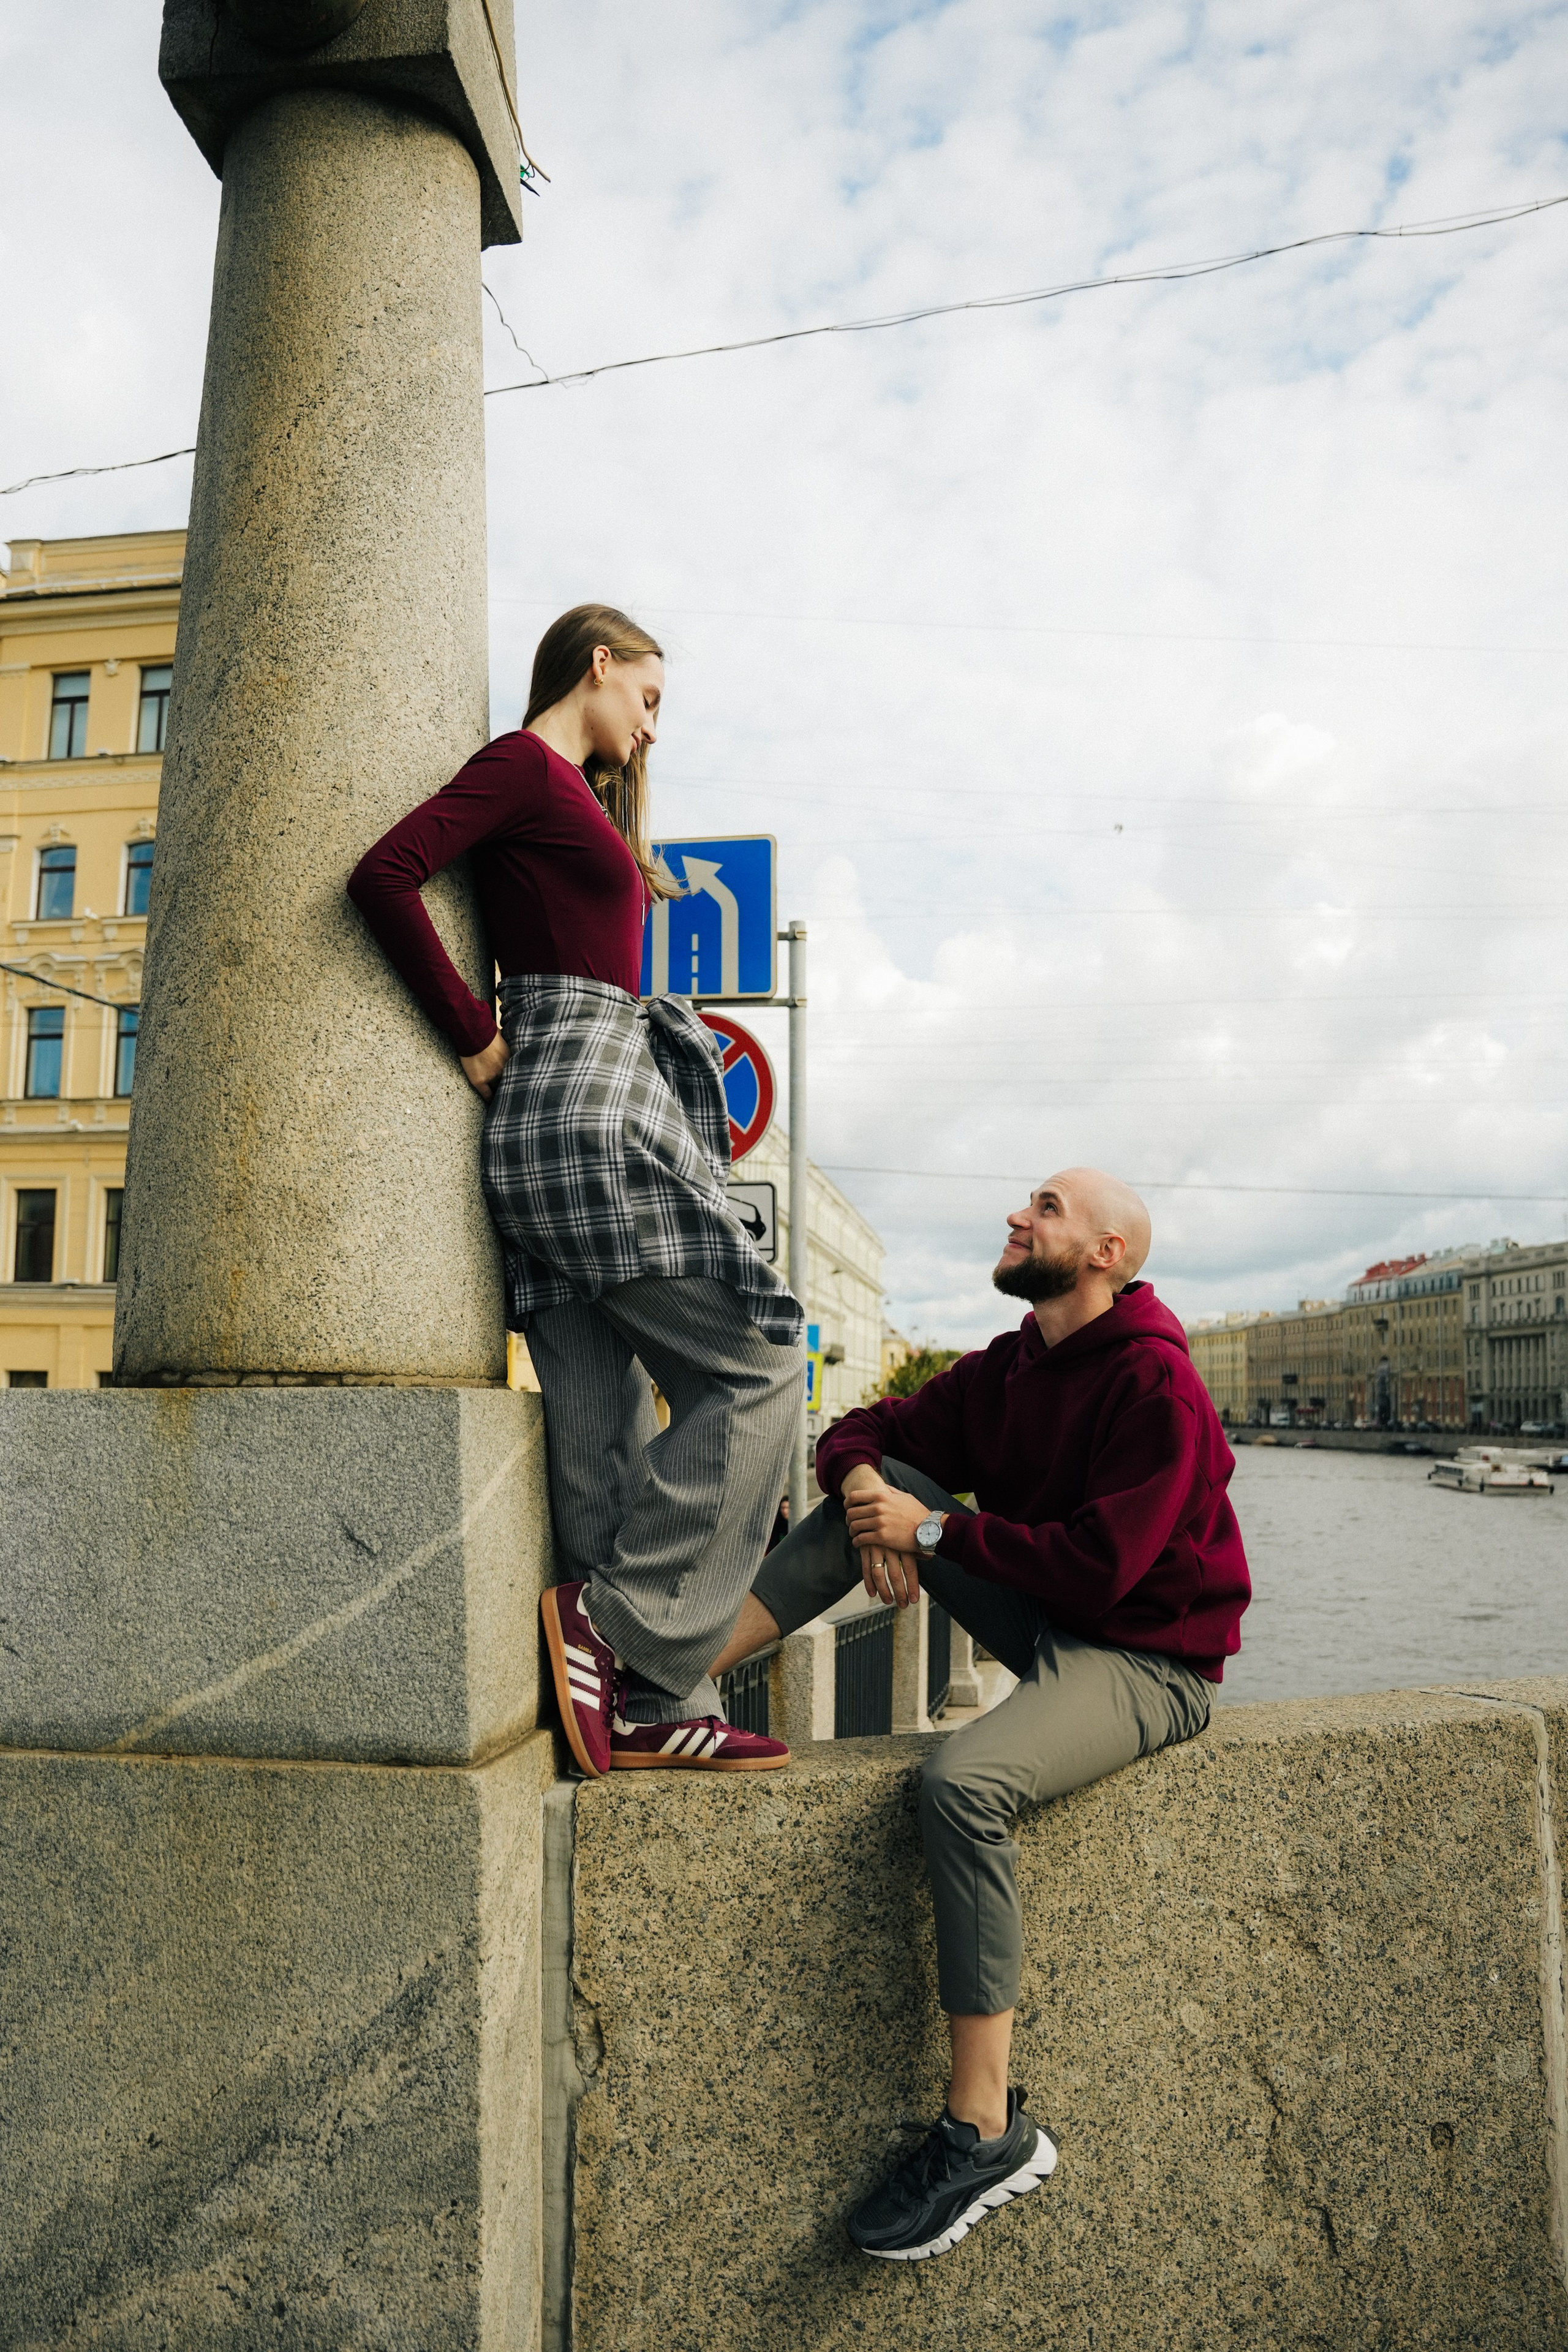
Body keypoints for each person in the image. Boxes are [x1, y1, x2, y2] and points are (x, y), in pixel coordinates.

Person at [710, 1166, 1250, 2260]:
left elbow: (1102, 1573)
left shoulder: (1159, 1387)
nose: (1018, 1215)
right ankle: (661, 1688)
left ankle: (985, 2130)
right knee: (882, 1478)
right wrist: (877, 1509)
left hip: (1147, 1660)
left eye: (1047, 1208)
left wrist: (932, 1535)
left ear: (1106, 1254)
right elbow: (863, 1429)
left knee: (962, 1786)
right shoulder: (1013, 1366)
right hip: (1047, 1615)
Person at [348, 605, 804, 1779]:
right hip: (584, 1120)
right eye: (648, 699)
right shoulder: (522, 767)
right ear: (598, 667)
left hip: (570, 1125)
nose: (651, 730)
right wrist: (471, 1037)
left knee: (601, 1441)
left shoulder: (571, 797)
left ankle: (639, 1708)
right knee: (762, 1364)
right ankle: (621, 1628)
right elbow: (386, 875)